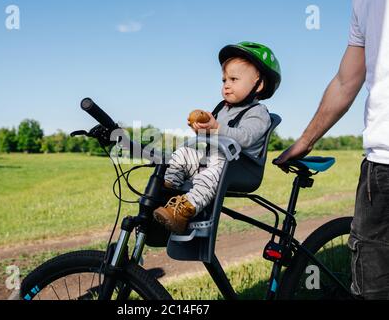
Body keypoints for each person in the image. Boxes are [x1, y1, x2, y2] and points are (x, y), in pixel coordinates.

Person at [274, 0, 389, 300]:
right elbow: (345, 80)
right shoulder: (363, 3)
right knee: (372, 290)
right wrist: (306, 140)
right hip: (381, 165)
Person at [153, 41, 281, 234]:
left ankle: (184, 211)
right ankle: (168, 189)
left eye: (234, 79)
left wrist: (216, 128)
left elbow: (245, 138)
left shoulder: (258, 112)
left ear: (259, 84)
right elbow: (212, 137)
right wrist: (202, 130)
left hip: (240, 167)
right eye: (224, 80)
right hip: (211, 158)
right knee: (183, 152)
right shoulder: (222, 108)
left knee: (213, 170)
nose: (227, 86)